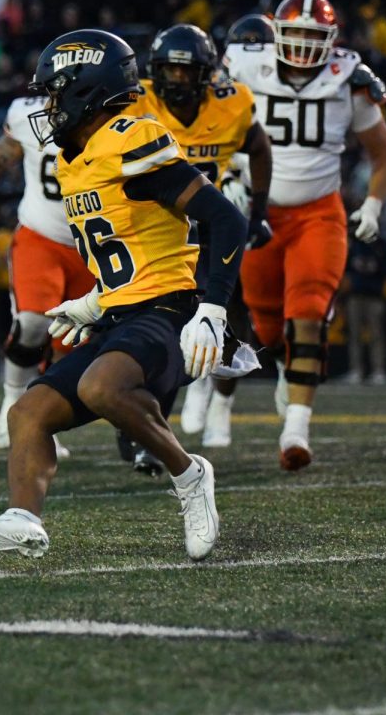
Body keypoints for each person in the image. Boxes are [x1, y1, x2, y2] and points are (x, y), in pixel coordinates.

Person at [0, 29, 248, 562]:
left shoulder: (129, 139)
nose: (49, 104)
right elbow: (125, 242)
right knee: (28, 412)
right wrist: (96, 302)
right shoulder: (72, 156)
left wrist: (213, 309)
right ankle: (24, 519)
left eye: (57, 92)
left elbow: (225, 220)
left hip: (170, 308)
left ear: (88, 91)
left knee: (103, 386)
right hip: (123, 313)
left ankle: (191, 474)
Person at [224, 0, 386, 470]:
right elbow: (209, 128)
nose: (302, 44)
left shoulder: (350, 79)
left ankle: (295, 432)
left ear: (332, 40)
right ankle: (284, 367)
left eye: (311, 35)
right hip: (259, 212)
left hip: (319, 214)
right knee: (267, 325)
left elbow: (383, 154)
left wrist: (374, 205)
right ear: (273, 33)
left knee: (309, 312)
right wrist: (228, 178)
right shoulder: (242, 65)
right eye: (294, 34)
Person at [122, 23, 273, 457]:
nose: (177, 81)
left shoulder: (232, 105)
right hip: (153, 232)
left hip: (209, 227)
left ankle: (215, 397)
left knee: (224, 315)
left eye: (187, 73)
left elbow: (260, 148)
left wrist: (259, 212)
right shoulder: (136, 102)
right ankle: (148, 423)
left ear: (207, 73)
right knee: (156, 323)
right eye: (169, 71)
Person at [0, 84, 95, 459]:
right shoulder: (27, 116)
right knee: (33, 322)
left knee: (69, 343)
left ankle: (42, 420)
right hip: (41, 236)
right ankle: (10, 406)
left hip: (93, 244)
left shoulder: (113, 117)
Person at [343, 231, 386, 384]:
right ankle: (356, 370)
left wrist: (374, 266)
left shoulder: (382, 244)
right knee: (354, 334)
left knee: (376, 334)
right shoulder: (355, 243)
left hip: (375, 295)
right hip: (355, 294)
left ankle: (378, 370)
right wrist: (355, 264)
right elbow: (345, 265)